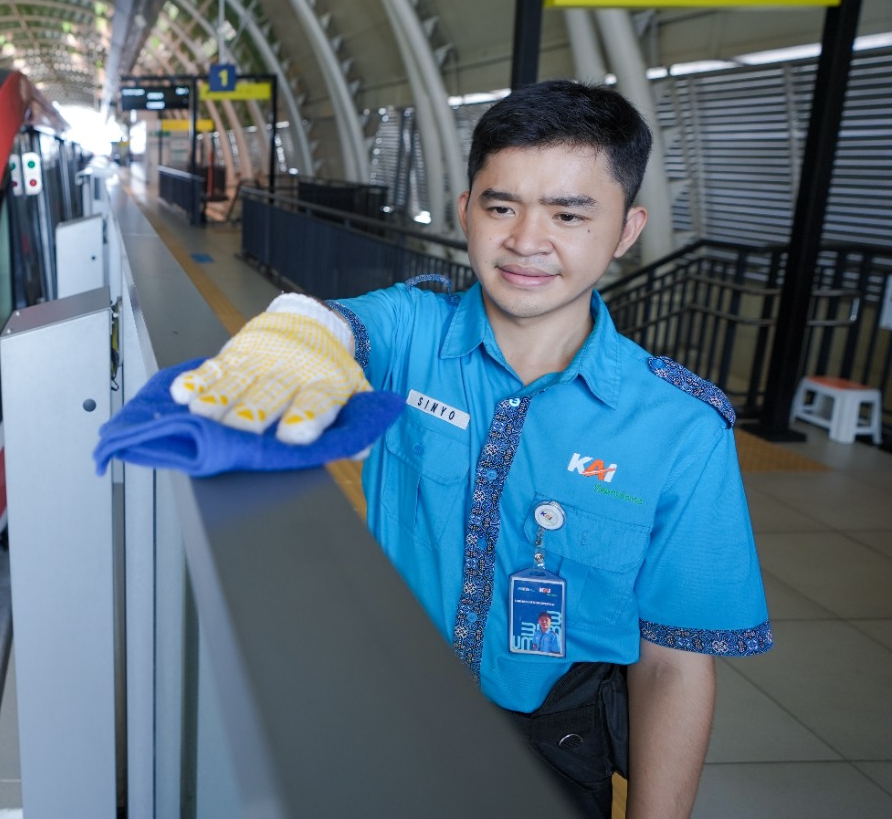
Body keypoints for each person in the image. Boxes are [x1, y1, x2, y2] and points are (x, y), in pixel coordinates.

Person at [171, 80, 771, 819]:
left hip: (553, 746)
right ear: (465, 213)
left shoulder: (680, 427)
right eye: (501, 206)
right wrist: (297, 332)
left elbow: (675, 666)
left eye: (569, 214)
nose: (526, 241)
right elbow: (335, 324)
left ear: (625, 230)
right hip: (381, 717)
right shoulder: (416, 332)